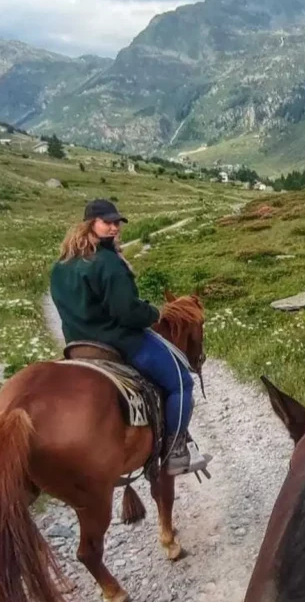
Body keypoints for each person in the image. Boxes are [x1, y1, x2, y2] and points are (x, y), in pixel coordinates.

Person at [50, 199, 210, 476]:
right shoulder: (108, 263)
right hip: (120, 342)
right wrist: (150, 313)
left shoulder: (61, 266)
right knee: (182, 383)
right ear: (90, 224)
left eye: (116, 223)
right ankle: (176, 449)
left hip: (78, 346)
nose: (114, 228)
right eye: (107, 222)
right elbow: (126, 312)